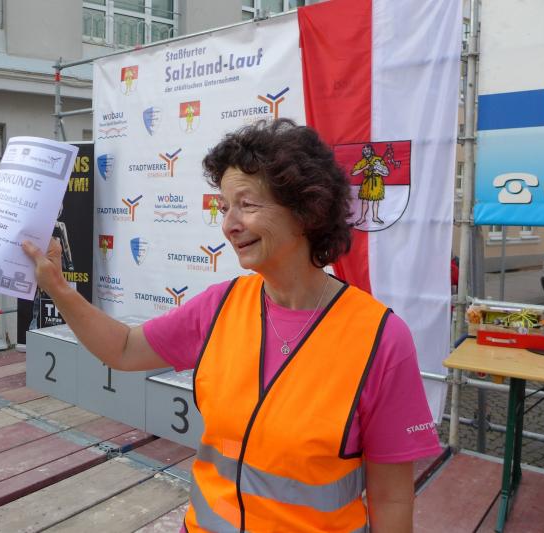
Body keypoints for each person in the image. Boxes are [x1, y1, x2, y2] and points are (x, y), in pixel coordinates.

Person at [22, 119, 440, 532]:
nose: (229, 224)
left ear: (305, 210)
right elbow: (125, 349)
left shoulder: (380, 338)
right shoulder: (219, 307)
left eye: (248, 205)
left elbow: (392, 498)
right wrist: (59, 287)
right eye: (224, 208)